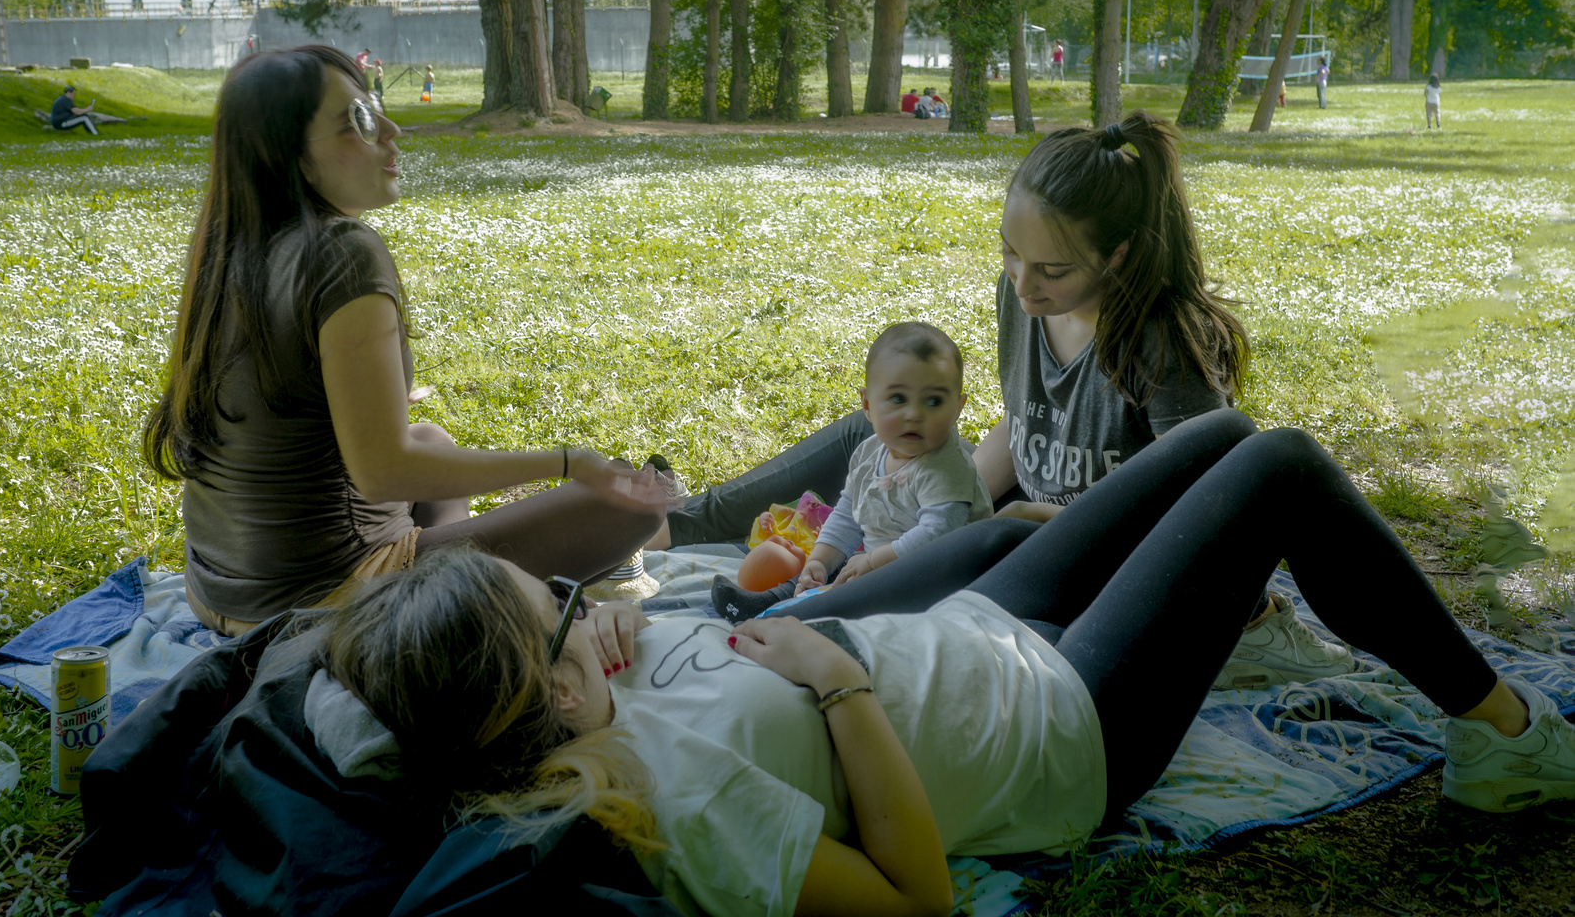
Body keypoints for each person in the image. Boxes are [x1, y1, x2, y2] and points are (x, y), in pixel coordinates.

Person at [309, 412, 1575, 917]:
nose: (603, 608)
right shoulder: (686, 798)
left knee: (1221, 434)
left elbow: (353, 690)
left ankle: (1068, 556)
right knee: (1280, 468)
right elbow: (913, 908)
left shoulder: (553, 698)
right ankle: (1513, 734)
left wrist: (606, 643)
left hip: (969, 638)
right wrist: (836, 683)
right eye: (574, 605)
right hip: (1062, 724)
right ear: (556, 693)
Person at [650, 111, 1348, 689]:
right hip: (1020, 522)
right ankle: (677, 527)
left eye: (1050, 270)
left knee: (986, 533)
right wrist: (940, 495)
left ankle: (791, 623)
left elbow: (1196, 518)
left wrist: (996, 524)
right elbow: (1023, 421)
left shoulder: (1164, 341)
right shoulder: (1024, 304)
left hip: (1118, 562)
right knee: (883, 434)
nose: (1022, 285)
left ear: (1118, 256)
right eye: (1011, 254)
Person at [142, 45, 668, 638]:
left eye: (377, 108)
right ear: (290, 158)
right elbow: (384, 473)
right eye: (358, 122)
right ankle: (461, 606)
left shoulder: (232, 247)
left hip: (215, 591)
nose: (391, 131)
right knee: (633, 502)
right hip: (315, 602)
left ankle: (476, 594)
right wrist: (573, 463)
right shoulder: (342, 253)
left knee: (431, 436)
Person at [711, 322, 994, 621]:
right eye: (898, 399)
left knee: (844, 601)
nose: (914, 414)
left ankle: (782, 616)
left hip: (946, 584)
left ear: (958, 408)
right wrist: (819, 559)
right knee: (830, 576)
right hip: (883, 569)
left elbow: (936, 536)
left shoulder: (946, 468)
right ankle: (777, 602)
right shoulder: (869, 453)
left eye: (934, 401)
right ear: (868, 405)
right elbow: (848, 514)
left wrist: (872, 561)